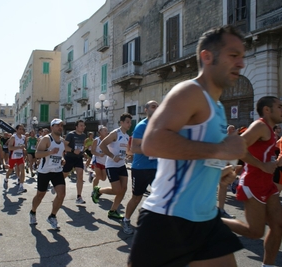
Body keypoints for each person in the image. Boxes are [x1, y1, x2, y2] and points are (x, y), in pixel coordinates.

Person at [128, 25, 247, 267]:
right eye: (233, 56)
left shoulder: (218, 107)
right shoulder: (189, 91)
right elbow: (152, 142)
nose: (241, 63)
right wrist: (220, 151)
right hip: (168, 219)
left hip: (205, 218)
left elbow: (193, 154)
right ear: (207, 56)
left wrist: (214, 173)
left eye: (242, 57)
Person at [223, 96, 282, 267]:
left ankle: (268, 265)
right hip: (253, 183)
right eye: (279, 106)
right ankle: (212, 220)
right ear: (267, 110)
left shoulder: (270, 130)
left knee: (278, 225)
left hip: (267, 184)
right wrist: (262, 165)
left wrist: (273, 163)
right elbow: (237, 147)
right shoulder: (260, 126)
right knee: (255, 232)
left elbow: (264, 155)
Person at [29, 119, 75, 229]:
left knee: (61, 194)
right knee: (40, 195)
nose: (60, 127)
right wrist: (49, 152)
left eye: (61, 125)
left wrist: (62, 159)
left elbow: (60, 154)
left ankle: (52, 216)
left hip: (57, 171)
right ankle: (33, 212)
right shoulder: (46, 139)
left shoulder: (62, 141)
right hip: (44, 171)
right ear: (52, 127)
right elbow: (37, 154)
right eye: (57, 125)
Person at [122, 101, 158, 235]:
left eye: (158, 107)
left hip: (157, 167)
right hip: (141, 168)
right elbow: (134, 148)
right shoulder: (142, 126)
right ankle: (126, 220)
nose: (156, 109)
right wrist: (151, 149)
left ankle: (150, 219)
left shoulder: (161, 125)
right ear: (146, 109)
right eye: (153, 106)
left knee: (160, 196)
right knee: (137, 197)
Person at [92, 113, 132, 220]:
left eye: (130, 122)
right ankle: (98, 190)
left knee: (123, 189)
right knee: (117, 190)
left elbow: (126, 150)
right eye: (127, 122)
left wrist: (129, 154)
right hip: (111, 166)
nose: (129, 124)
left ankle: (113, 211)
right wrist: (112, 156)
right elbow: (102, 145)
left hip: (121, 165)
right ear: (121, 123)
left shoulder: (127, 136)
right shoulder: (115, 133)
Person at [63, 120, 86, 204]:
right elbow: (64, 146)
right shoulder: (71, 135)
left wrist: (84, 152)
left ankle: (79, 197)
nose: (83, 127)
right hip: (69, 157)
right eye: (81, 125)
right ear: (76, 127)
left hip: (79, 158)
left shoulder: (83, 135)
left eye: (83, 126)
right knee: (64, 175)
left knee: (80, 176)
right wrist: (72, 150)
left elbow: (82, 145)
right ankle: (57, 185)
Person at [217, 125, 237, 219]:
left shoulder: (233, 140)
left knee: (223, 185)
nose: (233, 130)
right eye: (231, 129)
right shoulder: (223, 138)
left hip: (223, 163)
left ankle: (221, 210)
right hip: (216, 163)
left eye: (234, 129)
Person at [4, 124, 27, 193]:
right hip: (13, 156)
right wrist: (18, 148)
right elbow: (10, 148)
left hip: (20, 156)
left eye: (22, 129)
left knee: (22, 171)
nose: (21, 130)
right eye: (19, 129)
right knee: (10, 170)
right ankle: (6, 179)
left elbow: (24, 146)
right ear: (16, 130)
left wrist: (24, 149)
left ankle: (21, 187)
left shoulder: (24, 137)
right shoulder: (13, 137)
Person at [90, 125, 109, 190]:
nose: (107, 132)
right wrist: (99, 154)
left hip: (104, 161)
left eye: (107, 130)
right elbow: (92, 151)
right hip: (97, 160)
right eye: (105, 130)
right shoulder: (96, 140)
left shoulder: (108, 141)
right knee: (98, 176)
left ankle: (92, 174)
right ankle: (94, 191)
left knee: (103, 178)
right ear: (100, 132)